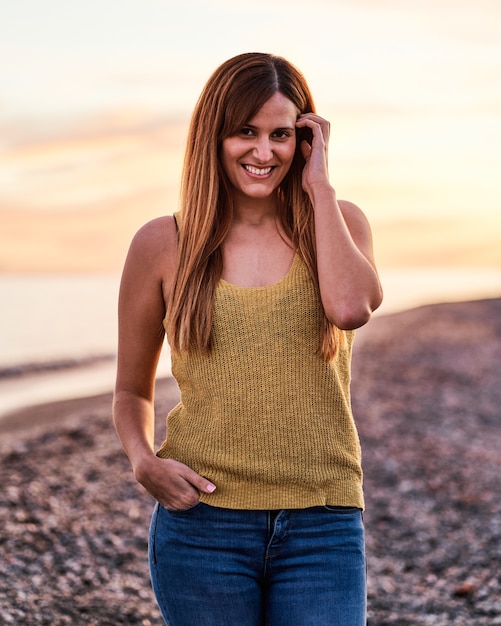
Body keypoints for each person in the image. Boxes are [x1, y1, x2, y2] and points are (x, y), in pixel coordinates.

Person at [113, 52, 383, 626]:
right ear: (214, 136)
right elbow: (131, 389)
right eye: (246, 133)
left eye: (281, 134)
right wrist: (142, 461)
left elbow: (349, 308)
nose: (264, 153)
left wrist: (321, 189)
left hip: (323, 520)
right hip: (202, 525)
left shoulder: (340, 223)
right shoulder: (163, 243)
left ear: (305, 140)